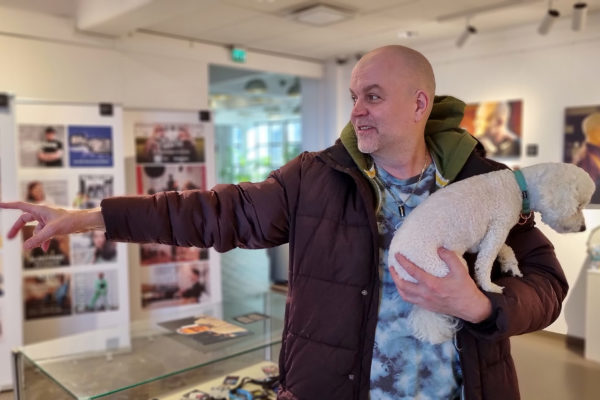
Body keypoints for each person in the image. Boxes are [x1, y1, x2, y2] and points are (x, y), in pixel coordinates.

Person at [0, 45, 567, 400]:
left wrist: (481, 306)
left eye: (373, 96)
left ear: (420, 104)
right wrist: (87, 217)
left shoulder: (484, 181)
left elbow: (546, 284)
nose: (356, 110)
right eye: (353, 96)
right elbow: (211, 212)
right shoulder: (314, 179)